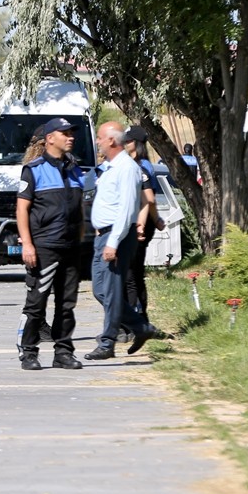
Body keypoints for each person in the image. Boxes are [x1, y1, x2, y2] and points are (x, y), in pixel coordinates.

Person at [15, 119, 85, 371]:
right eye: (64, 133)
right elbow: (22, 209)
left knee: (66, 304)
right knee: (37, 303)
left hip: (71, 248)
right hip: (45, 247)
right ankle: (29, 352)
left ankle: (63, 352)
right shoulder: (33, 170)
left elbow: (80, 210)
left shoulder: (75, 170)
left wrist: (81, 238)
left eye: (71, 133)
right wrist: (28, 245)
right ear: (50, 138)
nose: (70, 137)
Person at [86, 122, 154, 360]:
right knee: (101, 290)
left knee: (113, 291)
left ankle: (107, 342)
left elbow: (126, 210)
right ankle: (141, 326)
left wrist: (113, 242)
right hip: (103, 235)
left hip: (117, 236)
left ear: (112, 141)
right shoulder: (110, 167)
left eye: (100, 138)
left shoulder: (126, 168)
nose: (97, 142)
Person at [121, 126, 166, 340]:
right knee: (135, 274)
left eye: (128, 140)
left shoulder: (142, 166)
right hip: (143, 222)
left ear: (136, 144)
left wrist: (151, 220)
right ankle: (140, 320)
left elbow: (149, 199)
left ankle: (134, 324)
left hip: (141, 224)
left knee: (131, 275)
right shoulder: (135, 164)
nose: (124, 143)